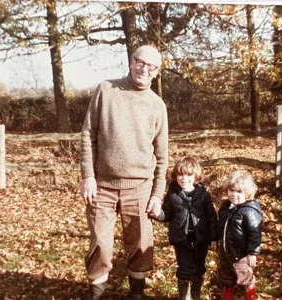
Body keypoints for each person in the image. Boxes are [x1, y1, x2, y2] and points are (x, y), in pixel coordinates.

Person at [79, 45, 168, 300]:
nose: (145, 69)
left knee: (140, 245)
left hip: (140, 186)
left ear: (157, 72)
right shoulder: (106, 90)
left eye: (152, 67)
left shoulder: (157, 106)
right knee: (100, 245)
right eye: (141, 62)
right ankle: (96, 292)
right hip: (102, 185)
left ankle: (136, 294)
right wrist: (88, 176)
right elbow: (87, 134)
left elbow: (162, 157)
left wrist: (157, 195)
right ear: (131, 62)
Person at [151, 157, 218, 300]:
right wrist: (157, 214)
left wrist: (213, 237)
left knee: (199, 269)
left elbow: (211, 217)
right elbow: (166, 214)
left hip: (201, 239)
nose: (184, 178)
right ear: (175, 176)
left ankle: (195, 295)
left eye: (188, 175)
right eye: (180, 175)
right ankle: (184, 296)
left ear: (196, 177)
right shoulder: (173, 194)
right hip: (181, 239)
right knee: (185, 269)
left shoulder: (204, 195)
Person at [217, 170, 263, 300]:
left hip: (241, 253)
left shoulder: (249, 210)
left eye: (239, 192)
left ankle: (250, 293)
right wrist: (215, 238)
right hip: (226, 250)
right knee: (226, 274)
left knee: (244, 275)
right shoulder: (226, 206)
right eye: (231, 190)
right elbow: (220, 225)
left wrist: (252, 253)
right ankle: (228, 293)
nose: (234, 194)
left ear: (247, 193)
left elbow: (254, 234)